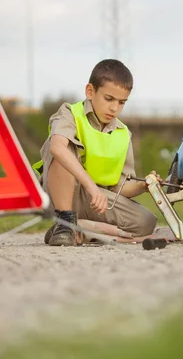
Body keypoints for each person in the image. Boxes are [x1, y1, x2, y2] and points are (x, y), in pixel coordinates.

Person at [32, 59, 159, 246]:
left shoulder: (123, 134)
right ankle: (65, 221)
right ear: (90, 91)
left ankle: (80, 230)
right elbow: (57, 148)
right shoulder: (69, 113)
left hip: (95, 200)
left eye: (122, 102)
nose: (115, 108)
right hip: (59, 194)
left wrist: (144, 186)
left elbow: (119, 188)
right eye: (109, 99)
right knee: (63, 149)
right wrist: (91, 186)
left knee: (146, 222)